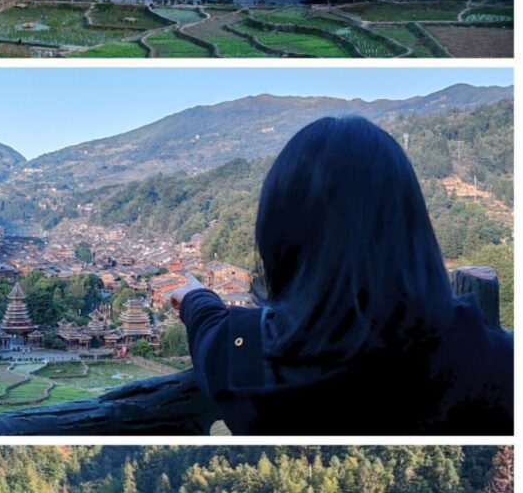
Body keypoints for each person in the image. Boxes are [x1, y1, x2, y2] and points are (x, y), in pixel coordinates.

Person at [171, 116, 512, 435]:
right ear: (412, 227)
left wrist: (194, 298)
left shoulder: (253, 365)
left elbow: (211, 338)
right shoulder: (492, 362)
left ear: (280, 236)